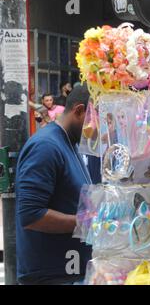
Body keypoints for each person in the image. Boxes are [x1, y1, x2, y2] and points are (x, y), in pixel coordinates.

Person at [15, 84, 93, 285]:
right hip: (51, 276)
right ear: (79, 111)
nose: (101, 130)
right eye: (98, 120)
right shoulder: (46, 146)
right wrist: (86, 222)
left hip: (71, 270)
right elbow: (31, 215)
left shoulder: (71, 143)